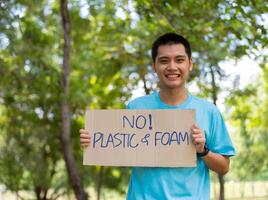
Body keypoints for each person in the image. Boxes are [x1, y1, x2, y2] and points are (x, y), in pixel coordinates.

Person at [80, 33, 236, 199]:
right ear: (154, 65)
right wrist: (94, 142)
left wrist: (202, 151)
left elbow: (224, 167)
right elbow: (118, 150)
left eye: (179, 60)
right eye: (164, 61)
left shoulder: (208, 111)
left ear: (190, 64)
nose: (172, 66)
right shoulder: (135, 107)